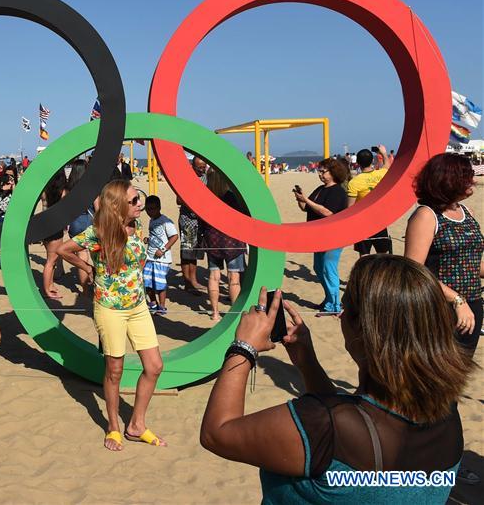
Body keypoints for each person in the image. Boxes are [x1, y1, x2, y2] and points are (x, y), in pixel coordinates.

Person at [200, 256, 475, 502]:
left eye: (346, 308)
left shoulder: (323, 425)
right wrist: (307, 362)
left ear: (364, 328)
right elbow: (349, 430)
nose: (341, 315)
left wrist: (243, 348)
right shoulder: (445, 412)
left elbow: (217, 433)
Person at [57, 180, 167, 451]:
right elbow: (63, 250)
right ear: (117, 206)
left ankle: (137, 424)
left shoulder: (137, 226)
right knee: (114, 370)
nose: (140, 203)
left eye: (138, 198)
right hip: (109, 308)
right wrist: (87, 267)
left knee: (154, 366)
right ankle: (114, 426)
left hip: (138, 306)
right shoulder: (98, 232)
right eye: (134, 201)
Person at [404, 153, 483, 353]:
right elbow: (413, 270)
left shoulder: (467, 212)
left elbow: (471, 264)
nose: (472, 180)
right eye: (467, 175)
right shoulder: (426, 216)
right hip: (439, 308)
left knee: (460, 375)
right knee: (436, 376)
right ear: (448, 179)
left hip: (472, 305)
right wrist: (456, 300)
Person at [294, 158, 349, 313]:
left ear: (333, 173)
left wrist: (307, 201)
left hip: (332, 237)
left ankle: (335, 305)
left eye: (323, 171)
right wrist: (300, 199)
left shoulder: (338, 191)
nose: (320, 174)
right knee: (318, 267)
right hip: (318, 237)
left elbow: (327, 212)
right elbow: (306, 207)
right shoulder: (320, 189)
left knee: (328, 269)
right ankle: (329, 300)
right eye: (320, 171)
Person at [202, 168, 247, 322]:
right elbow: (242, 217)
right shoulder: (230, 196)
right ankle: (234, 314)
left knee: (214, 276)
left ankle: (215, 313)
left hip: (212, 240)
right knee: (233, 277)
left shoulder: (206, 197)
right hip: (231, 241)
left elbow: (202, 219)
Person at [348, 146, 394, 256]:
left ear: (358, 163)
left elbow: (350, 208)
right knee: (383, 255)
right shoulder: (382, 174)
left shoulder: (354, 182)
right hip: (380, 220)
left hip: (362, 222)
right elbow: (387, 165)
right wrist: (383, 152)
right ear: (372, 160)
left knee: (364, 256)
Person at [177, 156, 208, 294]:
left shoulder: (206, 177)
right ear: (192, 166)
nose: (202, 170)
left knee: (195, 251)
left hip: (199, 220)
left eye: (204, 167)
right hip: (188, 220)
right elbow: (179, 200)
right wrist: (195, 200)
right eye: (199, 168)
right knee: (187, 251)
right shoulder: (185, 178)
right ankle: (188, 282)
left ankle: (193, 280)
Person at [144, 195, 178, 314]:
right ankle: (153, 303)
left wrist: (163, 249)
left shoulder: (166, 221)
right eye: (148, 209)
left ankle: (162, 306)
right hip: (150, 257)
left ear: (159, 208)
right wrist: (149, 240)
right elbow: (156, 236)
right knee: (147, 280)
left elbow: (174, 236)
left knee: (159, 283)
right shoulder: (151, 220)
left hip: (162, 260)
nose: (150, 212)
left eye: (153, 209)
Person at [65, 159, 94, 292]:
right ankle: (90, 285)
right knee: (92, 254)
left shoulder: (69, 187)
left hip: (75, 222)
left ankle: (85, 288)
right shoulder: (90, 186)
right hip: (89, 220)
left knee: (81, 254)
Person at [41, 169, 68, 299]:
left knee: (51, 259)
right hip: (55, 226)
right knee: (51, 261)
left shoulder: (44, 190)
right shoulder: (62, 192)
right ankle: (47, 290)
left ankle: (50, 285)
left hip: (44, 224)